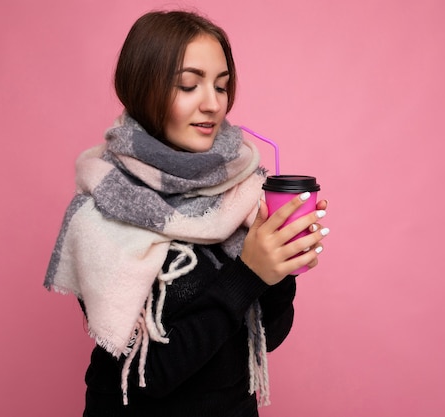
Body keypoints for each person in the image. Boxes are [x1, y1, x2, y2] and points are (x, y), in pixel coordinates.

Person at [44, 9, 329, 417]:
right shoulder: (102, 208)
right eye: (189, 85)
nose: (213, 104)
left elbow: (265, 339)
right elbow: (151, 375)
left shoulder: (243, 191)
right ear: (143, 89)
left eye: (222, 86)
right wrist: (248, 273)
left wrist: (280, 269)